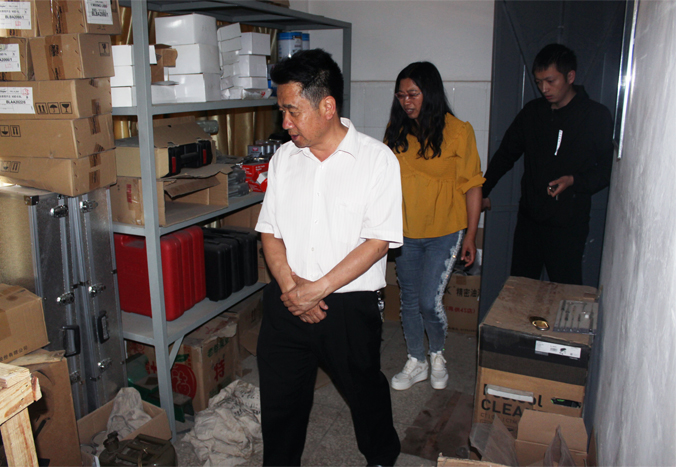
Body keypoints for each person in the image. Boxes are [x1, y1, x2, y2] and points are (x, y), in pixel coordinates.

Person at [255, 48, 403, 466]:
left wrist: (315, 291)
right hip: (287, 299)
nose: (285, 123)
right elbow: (270, 231)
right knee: (280, 404)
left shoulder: (376, 161)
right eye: (282, 112)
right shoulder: (285, 158)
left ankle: (381, 457)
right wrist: (292, 289)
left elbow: (378, 241)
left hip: (348, 306)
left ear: (327, 106)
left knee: (365, 394)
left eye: (293, 111)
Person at [383, 62, 484, 391]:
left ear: (431, 93)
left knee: (429, 301)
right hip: (405, 233)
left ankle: (437, 354)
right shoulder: (396, 131)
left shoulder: (459, 131)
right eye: (401, 95)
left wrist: (471, 235)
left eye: (413, 94)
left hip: (445, 231)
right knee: (409, 301)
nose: (406, 101)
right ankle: (417, 360)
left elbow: (473, 186)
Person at [482, 43, 613, 285]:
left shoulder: (595, 116)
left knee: (565, 291)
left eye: (551, 81)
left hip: (568, 225)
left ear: (570, 76)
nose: (544, 88)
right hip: (530, 221)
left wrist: (574, 181)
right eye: (539, 82)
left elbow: (606, 171)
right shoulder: (533, 113)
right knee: (520, 290)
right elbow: (505, 155)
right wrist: (482, 191)